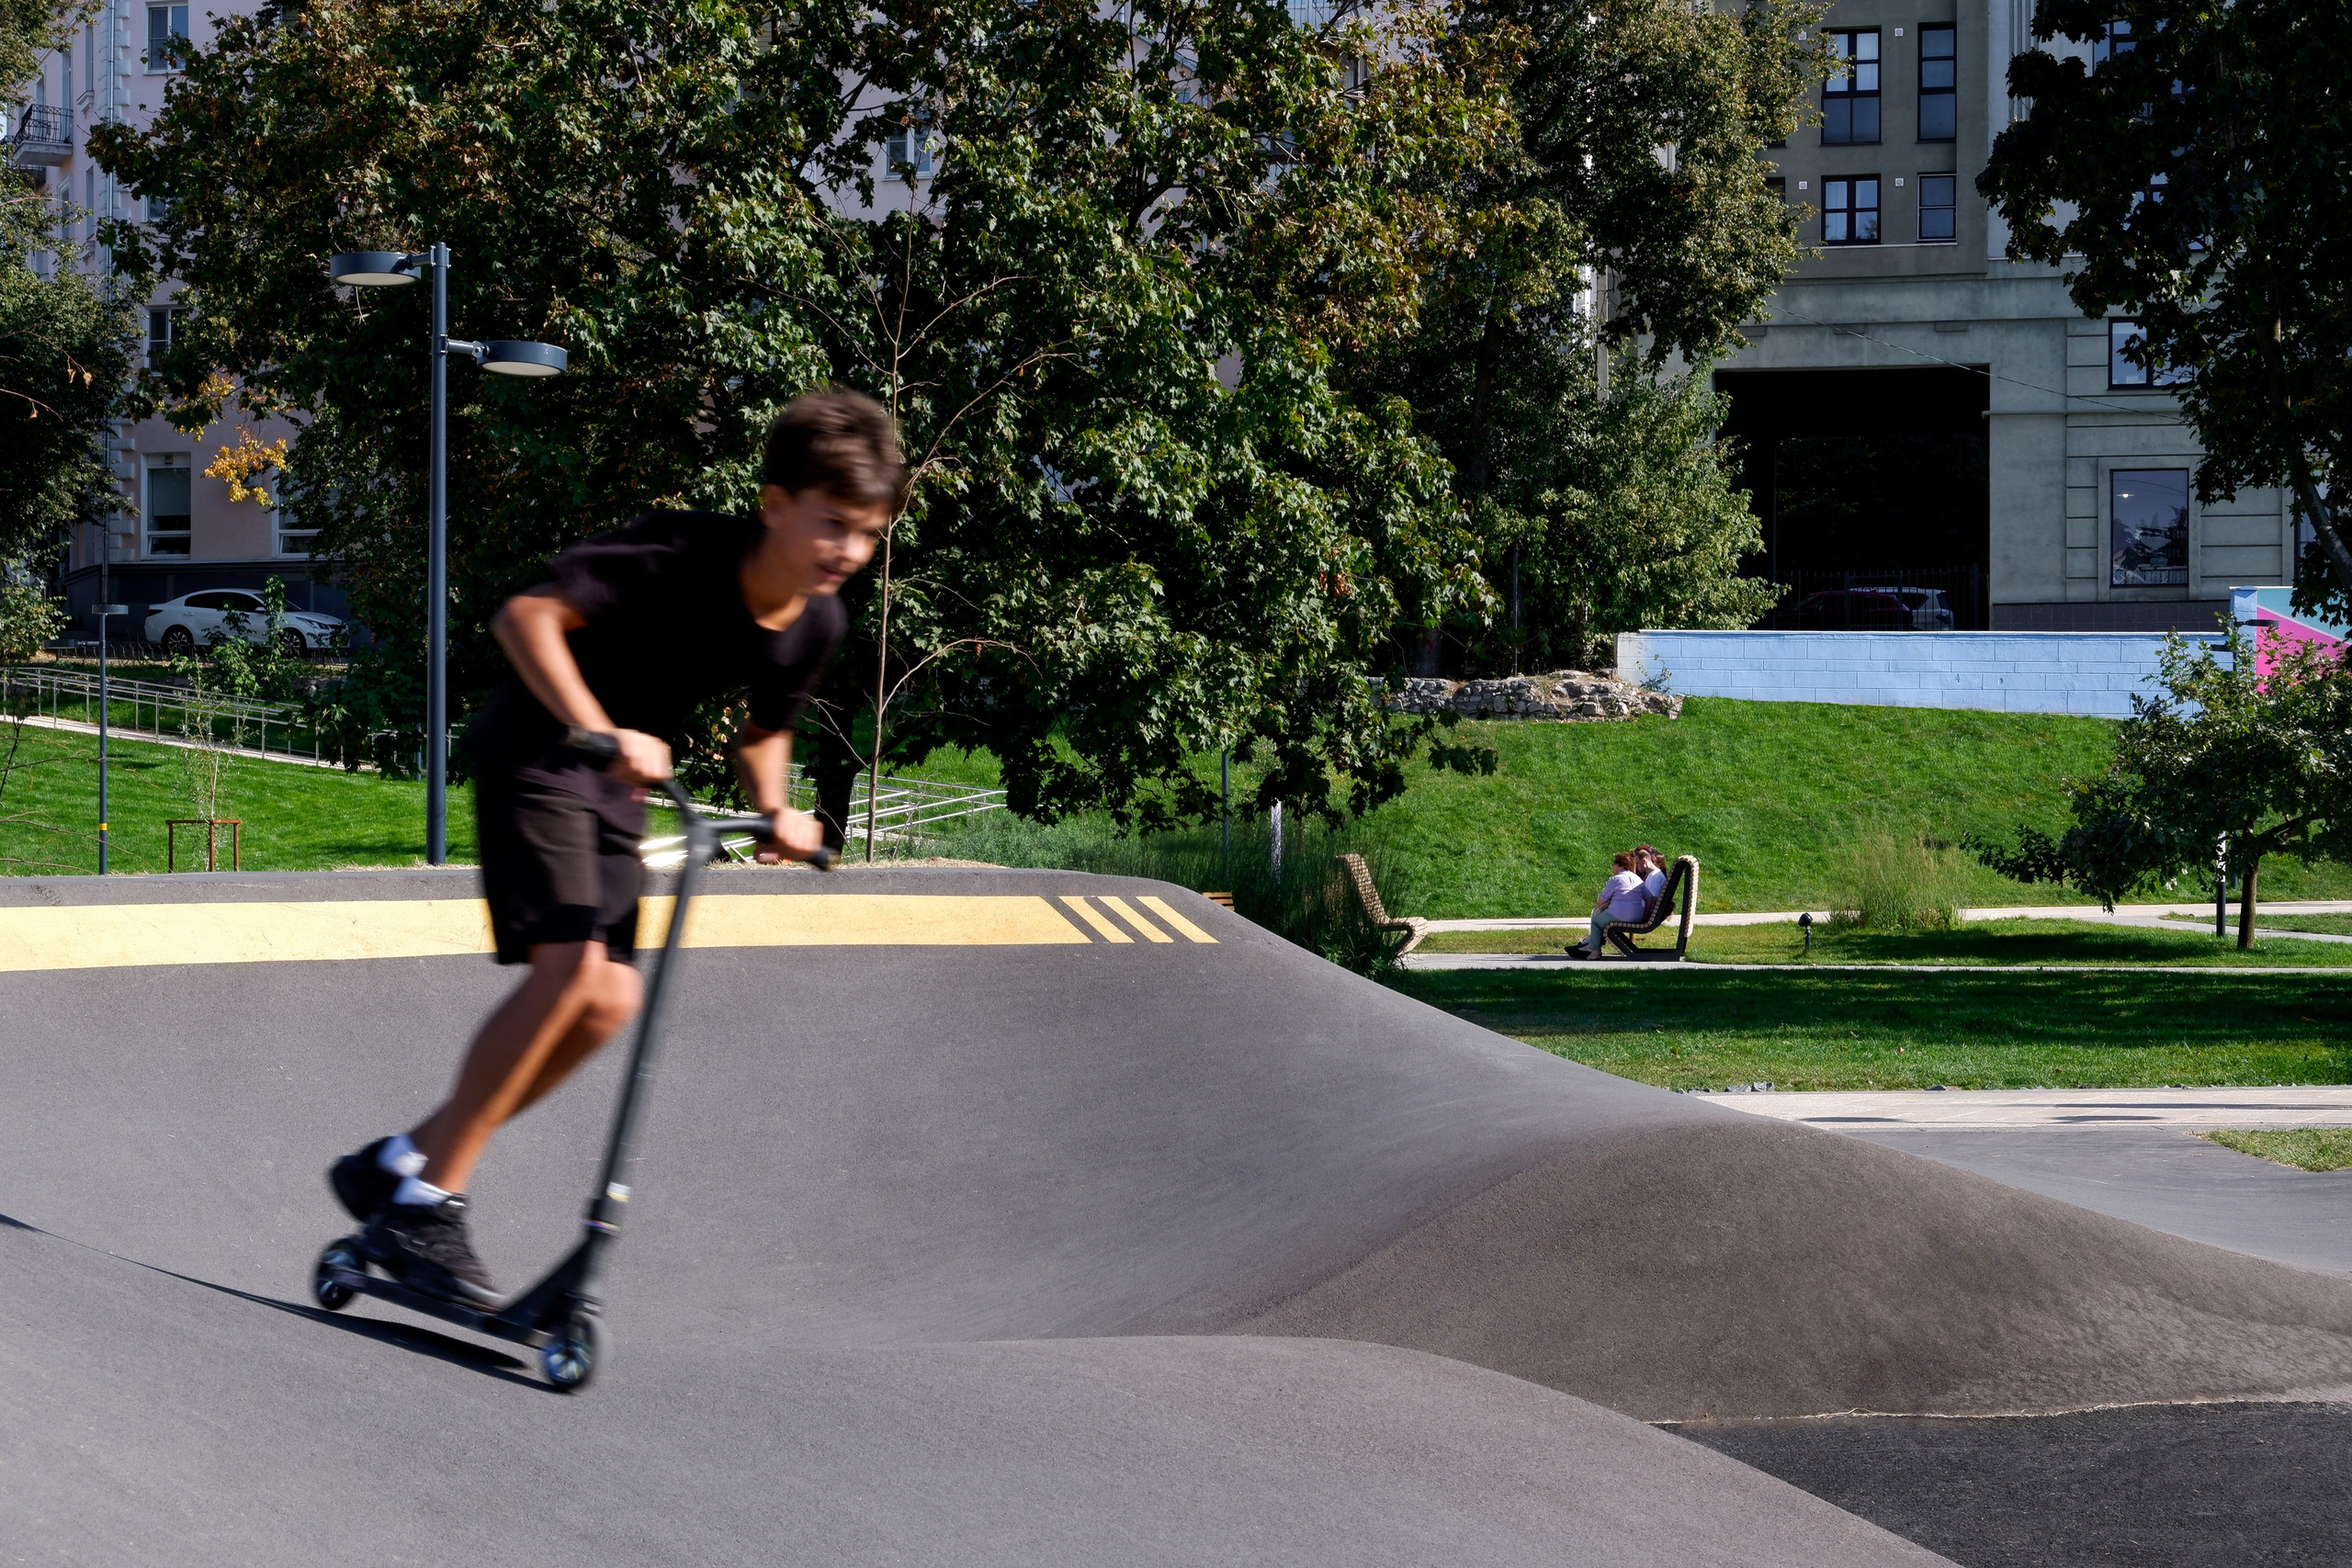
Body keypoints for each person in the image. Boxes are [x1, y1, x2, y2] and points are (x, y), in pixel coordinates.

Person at [324, 388, 903, 1306]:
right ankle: (427, 1204)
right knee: (569, 969)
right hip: (541, 753)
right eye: (832, 524)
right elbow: (525, 619)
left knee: (606, 1001)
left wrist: (776, 809)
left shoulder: (817, 621)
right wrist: (602, 729)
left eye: (867, 534)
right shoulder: (678, 551)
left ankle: (397, 1163)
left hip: (617, 790)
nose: (848, 552)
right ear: (774, 505)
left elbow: (764, 731)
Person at [1567, 851, 1650, 959]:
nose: (1612, 866)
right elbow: (1649, 897)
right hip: (1638, 916)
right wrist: (1645, 914)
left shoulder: (1615, 879)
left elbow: (1600, 901)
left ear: (1620, 865)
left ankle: (1594, 951)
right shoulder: (1637, 879)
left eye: (1614, 864)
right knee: (1603, 918)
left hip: (1620, 915)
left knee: (1596, 921)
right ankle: (1592, 943)